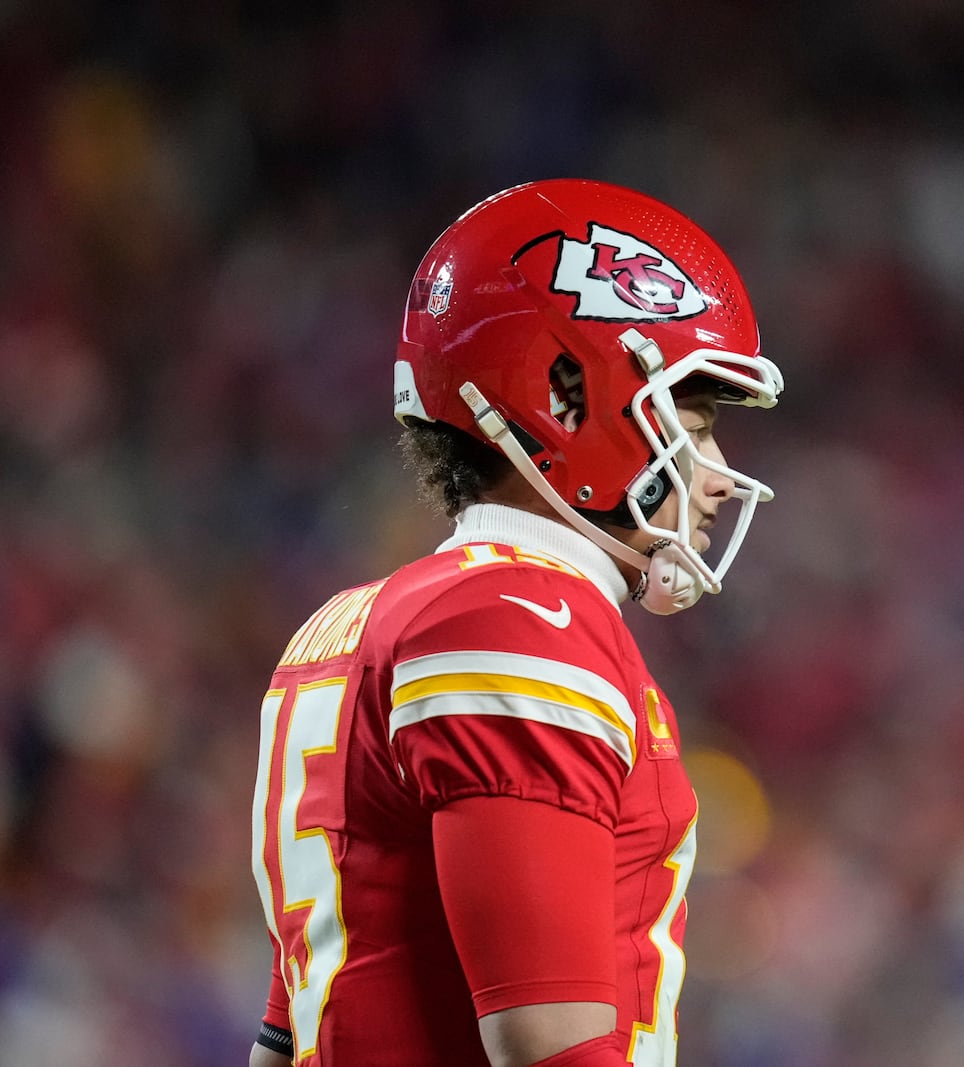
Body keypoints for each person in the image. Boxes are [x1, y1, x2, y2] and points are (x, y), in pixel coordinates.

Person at [247, 179, 784, 1067]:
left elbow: (283, 1037)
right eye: (691, 420)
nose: (719, 473)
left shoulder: (346, 623)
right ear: (563, 400)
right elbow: (544, 1042)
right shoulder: (520, 617)